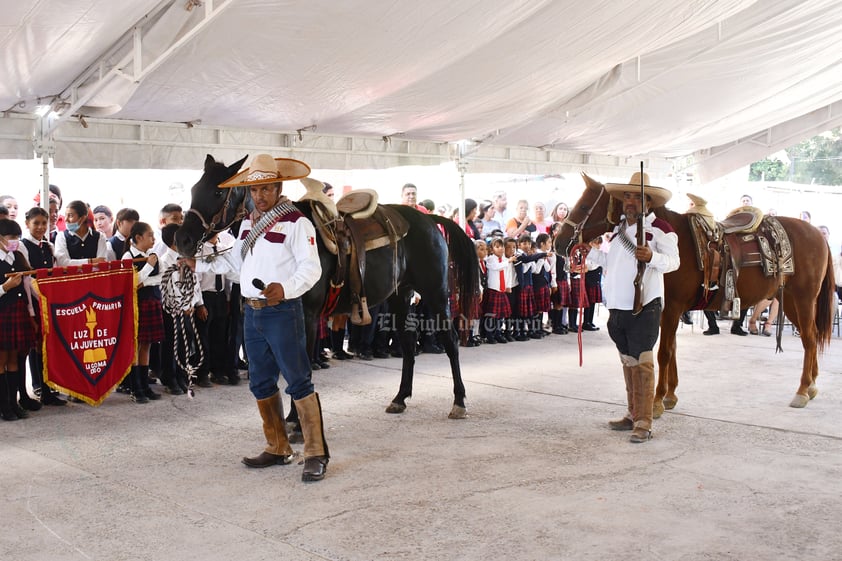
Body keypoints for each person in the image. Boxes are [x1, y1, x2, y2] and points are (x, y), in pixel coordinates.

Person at [189, 153, 329, 482]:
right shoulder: (249, 223)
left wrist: (287, 287)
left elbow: (311, 268)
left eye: (266, 189)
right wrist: (201, 265)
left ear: (278, 188)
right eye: (254, 191)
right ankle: (278, 446)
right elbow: (238, 267)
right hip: (251, 313)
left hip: (283, 311)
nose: (259, 196)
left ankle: (316, 453)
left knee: (298, 381)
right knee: (260, 382)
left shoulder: (298, 223)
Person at [585, 172, 679, 443]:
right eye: (627, 196)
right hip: (617, 305)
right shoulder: (617, 230)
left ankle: (644, 422)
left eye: (637, 196)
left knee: (643, 363)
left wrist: (653, 256)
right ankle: (632, 413)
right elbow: (609, 262)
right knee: (627, 361)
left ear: (648, 202)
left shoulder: (661, 228)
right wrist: (588, 253)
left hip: (644, 305)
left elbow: (674, 262)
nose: (630, 201)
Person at [19, 207, 65, 406]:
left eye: (43, 223)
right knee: (34, 345)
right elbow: (28, 279)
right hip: (33, 301)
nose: (40, 227)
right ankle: (38, 386)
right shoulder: (22, 246)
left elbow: (53, 274)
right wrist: (42, 298)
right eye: (36, 223)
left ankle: (47, 388)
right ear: (27, 223)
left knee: (46, 346)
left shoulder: (48, 246)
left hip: (48, 300)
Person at [0, 218, 37, 421]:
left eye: (17, 237)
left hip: (18, 312)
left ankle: (14, 403)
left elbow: (28, 288)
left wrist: (31, 314)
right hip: (2, 313)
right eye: (10, 237)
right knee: (2, 360)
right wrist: (5, 287)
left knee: (14, 358)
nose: (14, 241)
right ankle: (4, 406)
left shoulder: (18, 257)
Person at [122, 222, 164, 404]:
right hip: (137, 304)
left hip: (152, 301)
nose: (153, 239)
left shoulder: (152, 255)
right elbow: (131, 281)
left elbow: (161, 276)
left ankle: (145, 385)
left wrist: (146, 281)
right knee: (136, 345)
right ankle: (135, 386)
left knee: (146, 344)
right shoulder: (128, 256)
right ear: (138, 237)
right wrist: (147, 268)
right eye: (150, 235)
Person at [53, 200, 108, 267]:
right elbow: (63, 263)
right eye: (65, 215)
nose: (66, 219)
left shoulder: (99, 237)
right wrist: (91, 261)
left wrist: (73, 263)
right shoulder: (61, 236)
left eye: (70, 216)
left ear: (82, 218)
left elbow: (102, 263)